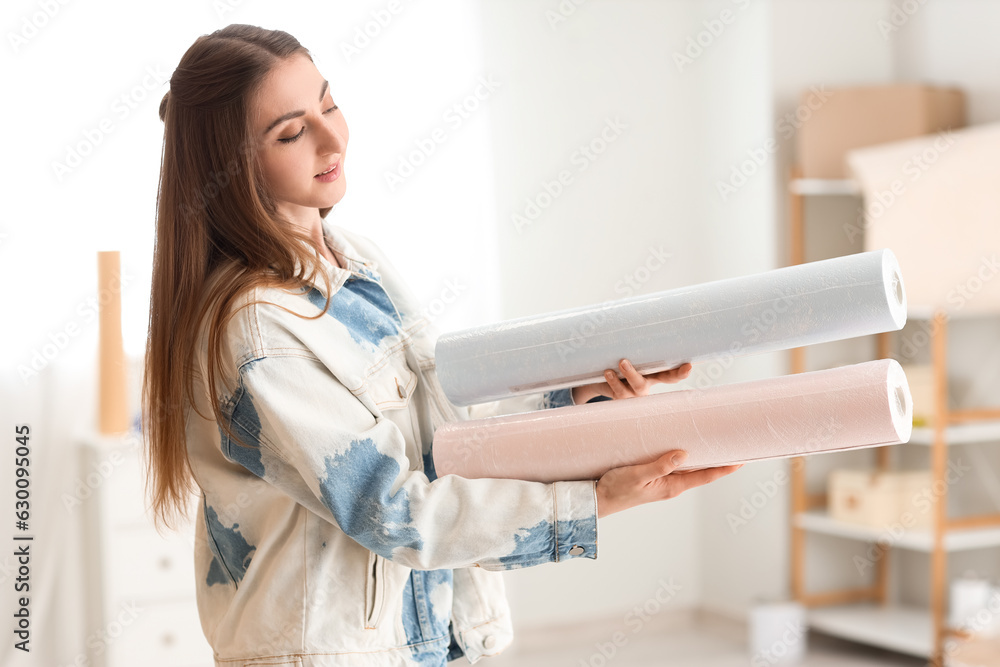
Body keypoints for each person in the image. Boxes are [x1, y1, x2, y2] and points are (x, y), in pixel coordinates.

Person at [141, 23, 741, 667]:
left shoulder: (359, 263)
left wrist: (576, 400)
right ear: (229, 169)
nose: (332, 137)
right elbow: (392, 509)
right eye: (291, 132)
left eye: (329, 104)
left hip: (433, 640)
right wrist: (595, 500)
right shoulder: (255, 331)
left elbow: (445, 438)